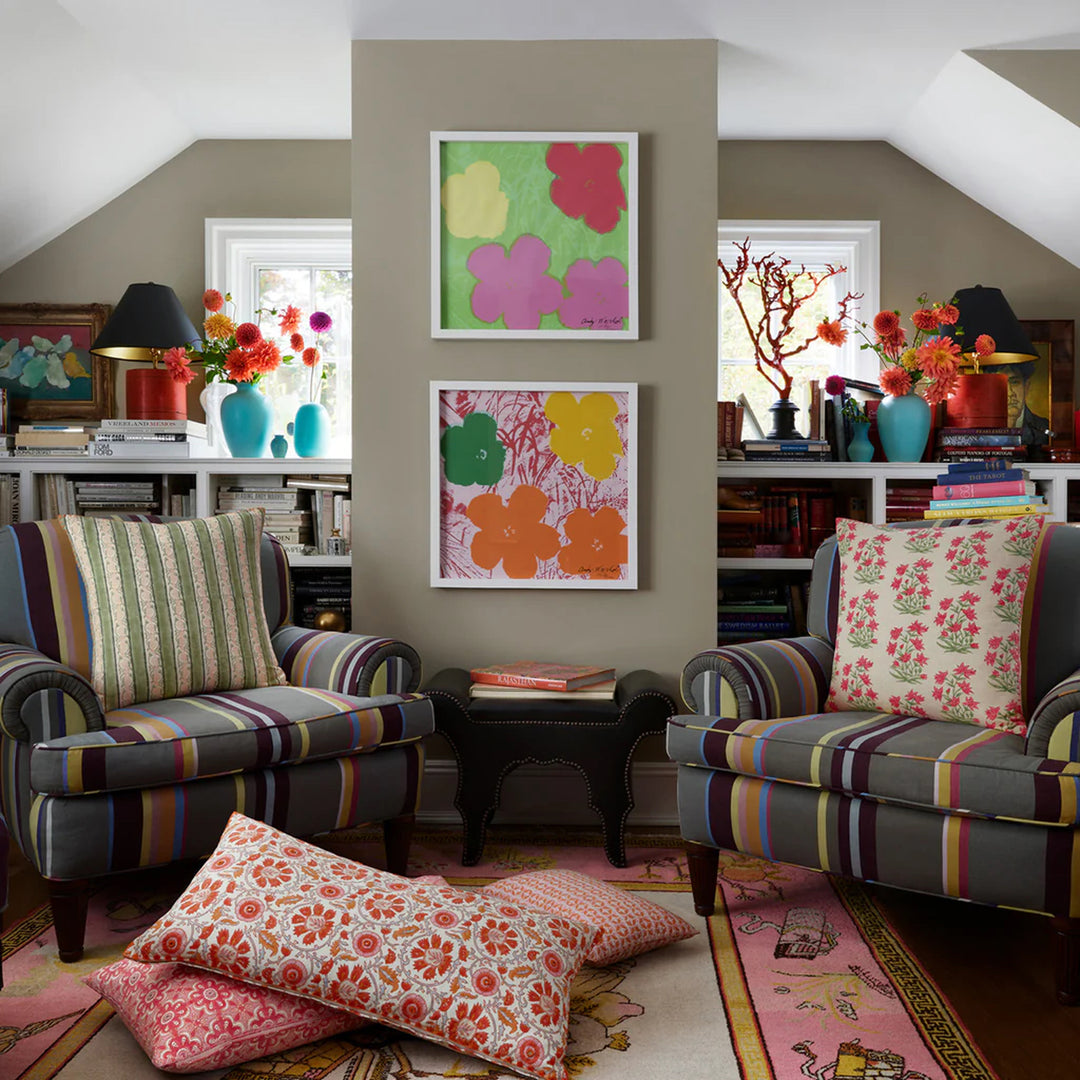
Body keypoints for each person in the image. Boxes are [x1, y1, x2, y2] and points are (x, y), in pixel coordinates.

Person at [981, 360, 1049, 446]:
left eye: (1014, 382)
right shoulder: (976, 430)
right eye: (999, 384)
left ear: (1026, 387)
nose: (1010, 393)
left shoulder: (1045, 428)